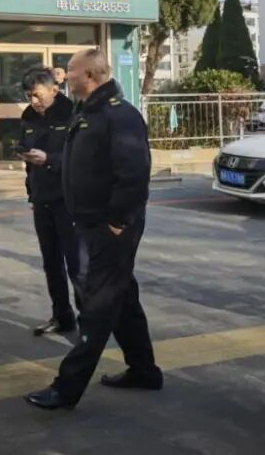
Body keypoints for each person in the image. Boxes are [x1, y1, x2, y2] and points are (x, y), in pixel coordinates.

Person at [25, 48, 161, 410]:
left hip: (110, 228)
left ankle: (66, 388)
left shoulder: (120, 115)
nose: (63, 75)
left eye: (70, 70)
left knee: (97, 308)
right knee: (123, 299)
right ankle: (145, 371)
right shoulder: (88, 112)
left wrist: (117, 222)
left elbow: (134, 176)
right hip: (90, 224)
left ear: (89, 75)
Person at [18, 67, 81, 336]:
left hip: (68, 201)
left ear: (54, 90)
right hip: (42, 199)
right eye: (29, 96)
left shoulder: (72, 114)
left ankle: (89, 321)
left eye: (37, 95)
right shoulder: (28, 117)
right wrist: (32, 191)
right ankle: (62, 316)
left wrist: (50, 159)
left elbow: (80, 157)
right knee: (51, 262)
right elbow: (27, 156)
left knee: (77, 265)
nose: (33, 101)